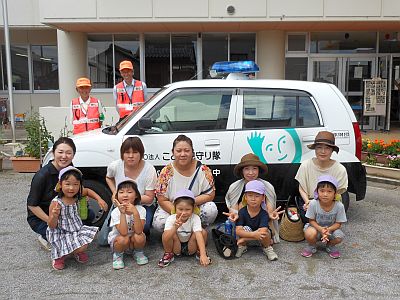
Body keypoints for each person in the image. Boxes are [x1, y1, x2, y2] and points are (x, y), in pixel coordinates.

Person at [27, 137, 108, 251]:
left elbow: (81, 188)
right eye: (60, 152)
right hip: (44, 216)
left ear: (73, 155)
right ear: (53, 153)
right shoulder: (42, 176)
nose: (64, 156)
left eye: (68, 153)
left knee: (88, 215)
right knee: (64, 239)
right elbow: (32, 205)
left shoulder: (70, 168)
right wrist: (51, 220)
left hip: (65, 212)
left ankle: (70, 234)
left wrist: (83, 197)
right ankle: (45, 237)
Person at [152, 135, 218, 232]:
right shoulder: (166, 172)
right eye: (178, 151)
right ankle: (173, 235)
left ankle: (198, 230)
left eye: (187, 150)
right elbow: (162, 200)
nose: (183, 154)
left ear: (192, 152)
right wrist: (179, 212)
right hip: (173, 208)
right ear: (173, 152)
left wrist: (189, 205)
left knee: (210, 209)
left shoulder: (203, 170)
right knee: (159, 223)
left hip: (194, 207)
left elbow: (210, 195)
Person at [47, 166, 98, 270]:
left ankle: (74, 251)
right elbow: (51, 225)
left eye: (76, 184)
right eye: (67, 184)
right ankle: (60, 256)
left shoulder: (76, 196)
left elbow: (88, 191)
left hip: (76, 229)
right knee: (80, 246)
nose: (71, 188)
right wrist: (54, 216)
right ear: (60, 184)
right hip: (61, 232)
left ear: (80, 186)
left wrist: (100, 200)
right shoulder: (57, 203)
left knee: (90, 238)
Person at [224, 153, 281, 243]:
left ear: (258, 170)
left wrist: (271, 215)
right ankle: (253, 238)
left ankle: (248, 239)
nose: (251, 173)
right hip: (243, 222)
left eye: (254, 169)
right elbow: (234, 209)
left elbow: (269, 209)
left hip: (263, 221)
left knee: (266, 232)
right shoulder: (235, 187)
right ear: (242, 171)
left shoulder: (267, 186)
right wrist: (234, 215)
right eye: (247, 169)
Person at [106, 137, 157, 236]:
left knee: (143, 227)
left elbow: (149, 198)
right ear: (122, 154)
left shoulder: (149, 169)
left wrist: (131, 198)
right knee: (105, 237)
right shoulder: (115, 166)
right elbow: (109, 178)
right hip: (121, 204)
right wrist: (115, 192)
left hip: (143, 205)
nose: (130, 156)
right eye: (127, 152)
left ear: (141, 154)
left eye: (135, 152)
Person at [295, 131, 348, 213]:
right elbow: (301, 188)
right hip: (308, 202)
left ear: (332, 150)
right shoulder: (305, 165)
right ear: (315, 149)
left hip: (330, 204)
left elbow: (338, 193)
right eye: (319, 147)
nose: (323, 151)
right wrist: (308, 202)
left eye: (327, 148)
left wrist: (321, 205)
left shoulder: (340, 169)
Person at [158, 189, 211, 268]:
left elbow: (199, 235)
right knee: (167, 233)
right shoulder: (171, 218)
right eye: (180, 209)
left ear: (193, 208)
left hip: (191, 246)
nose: (184, 212)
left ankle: (199, 252)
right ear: (175, 207)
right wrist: (175, 227)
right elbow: (165, 238)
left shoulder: (195, 218)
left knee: (202, 232)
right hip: (176, 246)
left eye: (188, 209)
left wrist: (203, 254)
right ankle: (168, 253)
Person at [301, 175, 347, 259]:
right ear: (317, 191)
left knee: (339, 237)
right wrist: (321, 229)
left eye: (329, 191)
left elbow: (338, 224)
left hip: (331, 230)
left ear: (335, 193)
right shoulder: (313, 203)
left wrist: (327, 230)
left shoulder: (339, 206)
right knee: (309, 233)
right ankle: (312, 245)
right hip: (316, 228)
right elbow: (311, 220)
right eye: (322, 191)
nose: (325, 194)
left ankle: (330, 245)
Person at [235, 180, 280, 261]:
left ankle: (267, 248)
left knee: (265, 233)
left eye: (257, 196)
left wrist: (245, 238)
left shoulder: (264, 213)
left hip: (260, 239)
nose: (253, 199)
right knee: (244, 228)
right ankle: (243, 246)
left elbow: (263, 231)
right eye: (250, 195)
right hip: (250, 234)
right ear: (245, 197)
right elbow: (238, 231)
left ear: (263, 198)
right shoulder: (242, 211)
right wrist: (253, 235)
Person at [108, 178, 147, 270]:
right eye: (121, 192)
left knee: (140, 236)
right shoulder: (115, 212)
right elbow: (123, 232)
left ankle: (138, 252)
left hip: (133, 240)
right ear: (117, 196)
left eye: (129, 192)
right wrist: (122, 213)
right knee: (123, 239)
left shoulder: (141, 210)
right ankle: (118, 255)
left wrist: (135, 213)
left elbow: (138, 231)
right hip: (120, 240)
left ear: (136, 195)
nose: (125, 195)